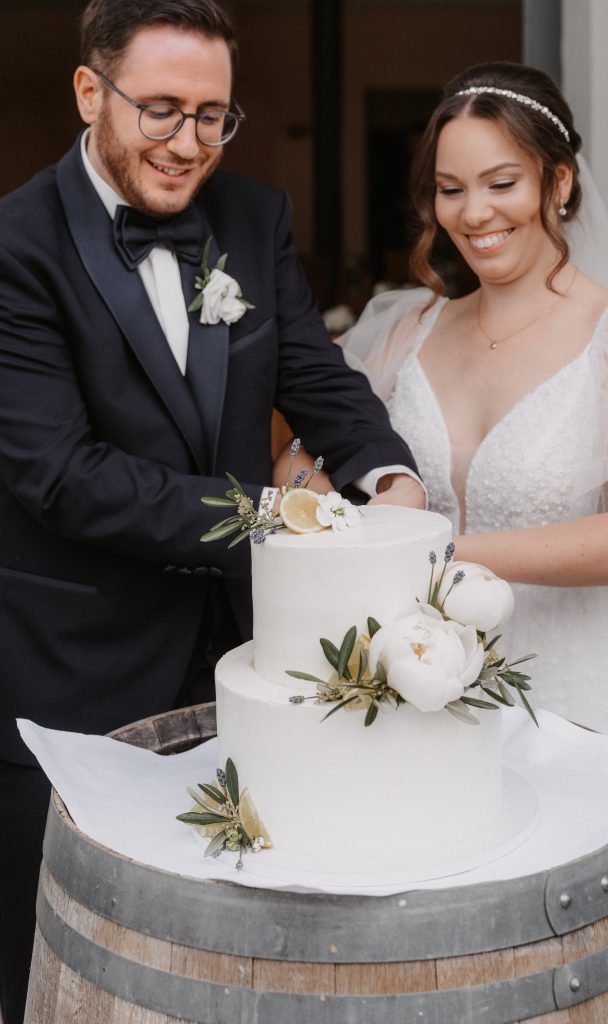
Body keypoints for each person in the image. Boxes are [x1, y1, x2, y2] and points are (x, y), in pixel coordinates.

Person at [0, 2, 424, 1019]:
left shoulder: (252, 217)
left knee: (224, 951)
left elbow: (316, 380)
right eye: (162, 111)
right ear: (89, 92)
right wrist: (274, 514)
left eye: (213, 116)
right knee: (58, 960)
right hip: (74, 667)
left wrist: (389, 477)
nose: (190, 143)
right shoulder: (14, 243)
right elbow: (60, 472)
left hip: (243, 655)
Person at [337, 60, 608, 770]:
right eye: (449, 190)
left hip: (577, 698)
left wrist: (437, 558)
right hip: (418, 691)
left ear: (557, 182)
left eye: (501, 184)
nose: (473, 214)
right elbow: (319, 456)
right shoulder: (408, 329)